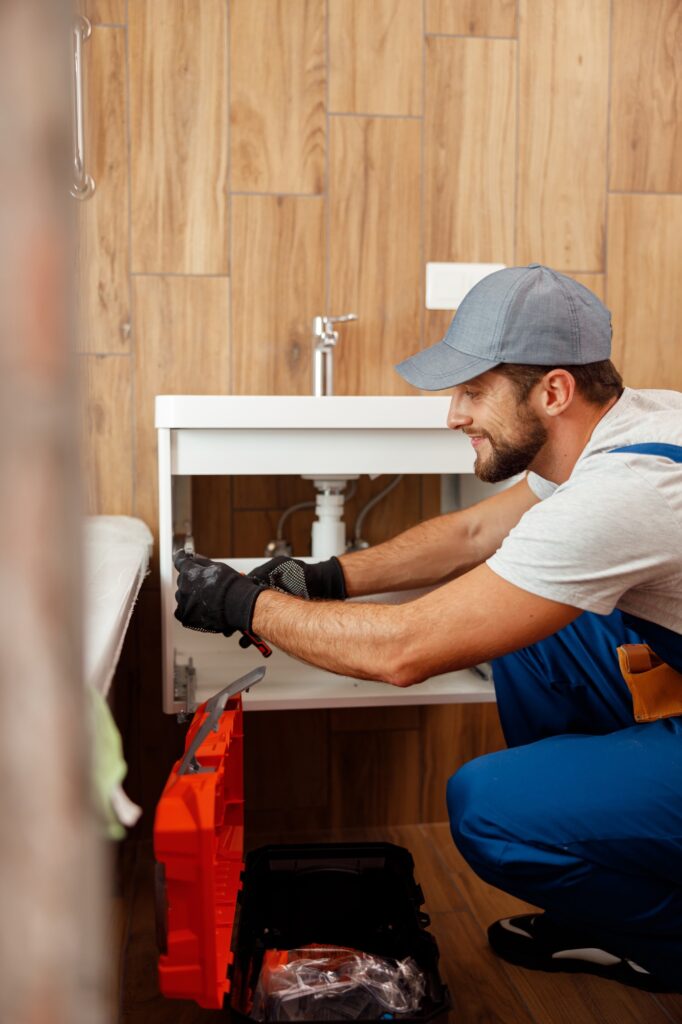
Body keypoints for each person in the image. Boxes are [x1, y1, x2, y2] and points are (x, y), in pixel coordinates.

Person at [174, 264, 682, 992]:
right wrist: (325, 578)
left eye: (474, 391)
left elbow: (403, 651)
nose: (453, 415)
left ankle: (662, 937)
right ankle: (601, 886)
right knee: (543, 629)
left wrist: (240, 604)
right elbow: (478, 533)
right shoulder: (622, 427)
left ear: (554, 390)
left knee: (487, 810)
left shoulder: (627, 493)